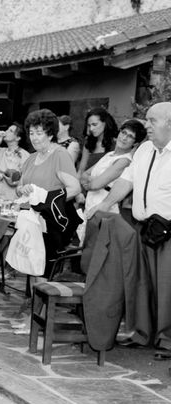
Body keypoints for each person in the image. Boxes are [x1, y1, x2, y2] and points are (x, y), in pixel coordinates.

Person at [87, 102, 171, 359]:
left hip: (168, 228)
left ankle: (167, 339)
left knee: (167, 286)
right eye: (146, 120)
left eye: (152, 120)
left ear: (169, 123)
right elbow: (125, 182)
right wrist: (103, 205)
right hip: (142, 226)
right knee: (142, 282)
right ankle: (141, 333)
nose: (146, 125)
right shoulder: (144, 149)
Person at [16, 109, 82, 277]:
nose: (34, 137)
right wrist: (22, 189)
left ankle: (42, 302)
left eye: (39, 133)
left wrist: (48, 199)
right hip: (33, 219)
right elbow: (19, 187)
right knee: (32, 265)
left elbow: (74, 188)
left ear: (51, 134)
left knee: (45, 268)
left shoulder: (60, 155)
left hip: (53, 220)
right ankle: (34, 301)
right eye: (31, 133)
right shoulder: (31, 158)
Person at [81, 119, 146, 215]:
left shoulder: (124, 160)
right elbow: (84, 174)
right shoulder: (110, 154)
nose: (124, 138)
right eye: (123, 132)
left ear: (135, 143)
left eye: (130, 136)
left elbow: (95, 185)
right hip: (90, 204)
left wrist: (91, 182)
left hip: (105, 210)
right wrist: (95, 180)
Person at [0, 122, 30, 202]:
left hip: (12, 197)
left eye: (10, 131)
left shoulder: (24, 155)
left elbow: (26, 179)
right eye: (7, 129)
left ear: (18, 138)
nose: (6, 132)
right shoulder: (1, 151)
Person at [77, 107, 118, 175]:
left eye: (95, 124)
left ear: (105, 123)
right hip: (85, 182)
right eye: (89, 125)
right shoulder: (88, 143)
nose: (91, 129)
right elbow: (81, 170)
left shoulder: (116, 144)